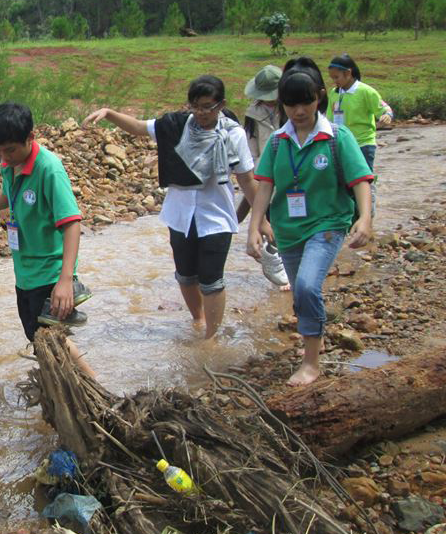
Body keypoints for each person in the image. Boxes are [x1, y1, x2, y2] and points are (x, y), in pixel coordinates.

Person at [84, 75, 271, 340]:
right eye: (195, 106)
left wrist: (260, 220)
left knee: (211, 279)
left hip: (215, 215)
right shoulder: (176, 125)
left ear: (221, 104)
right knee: (185, 275)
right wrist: (108, 113)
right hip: (180, 214)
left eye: (208, 106)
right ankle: (198, 320)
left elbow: (246, 180)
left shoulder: (233, 134)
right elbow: (138, 127)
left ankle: (211, 336)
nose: (201, 113)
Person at [248, 57, 373, 386]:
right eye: (290, 104)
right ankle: (313, 344)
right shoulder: (277, 142)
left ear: (318, 98)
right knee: (300, 294)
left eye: (305, 102)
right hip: (288, 230)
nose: (298, 111)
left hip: (328, 224)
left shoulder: (337, 138)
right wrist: (254, 227)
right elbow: (264, 187)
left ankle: (311, 364)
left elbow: (361, 180)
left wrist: (365, 219)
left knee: (305, 286)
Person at [0, 102, 95, 378]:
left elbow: (72, 223)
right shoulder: (10, 165)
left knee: (50, 338)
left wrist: (66, 281)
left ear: (30, 138)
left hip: (50, 272)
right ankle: (63, 388)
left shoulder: (49, 170)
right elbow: (9, 197)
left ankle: (93, 384)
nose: (4, 157)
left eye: (9, 150)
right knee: (38, 338)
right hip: (25, 272)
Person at [239, 65, 290, 289]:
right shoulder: (253, 113)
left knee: (290, 221)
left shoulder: (292, 110)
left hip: (291, 172)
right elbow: (251, 149)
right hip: (265, 174)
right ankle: (278, 265)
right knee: (272, 221)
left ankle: (288, 265)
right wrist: (256, 174)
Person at [327, 54, 393, 217]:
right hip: (339, 144)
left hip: (363, 144)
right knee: (342, 182)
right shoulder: (334, 93)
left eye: (337, 77)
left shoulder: (366, 91)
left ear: (348, 73)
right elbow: (328, 119)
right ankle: (350, 217)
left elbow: (385, 109)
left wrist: (387, 116)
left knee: (363, 180)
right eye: (332, 78)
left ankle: (367, 217)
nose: (335, 81)